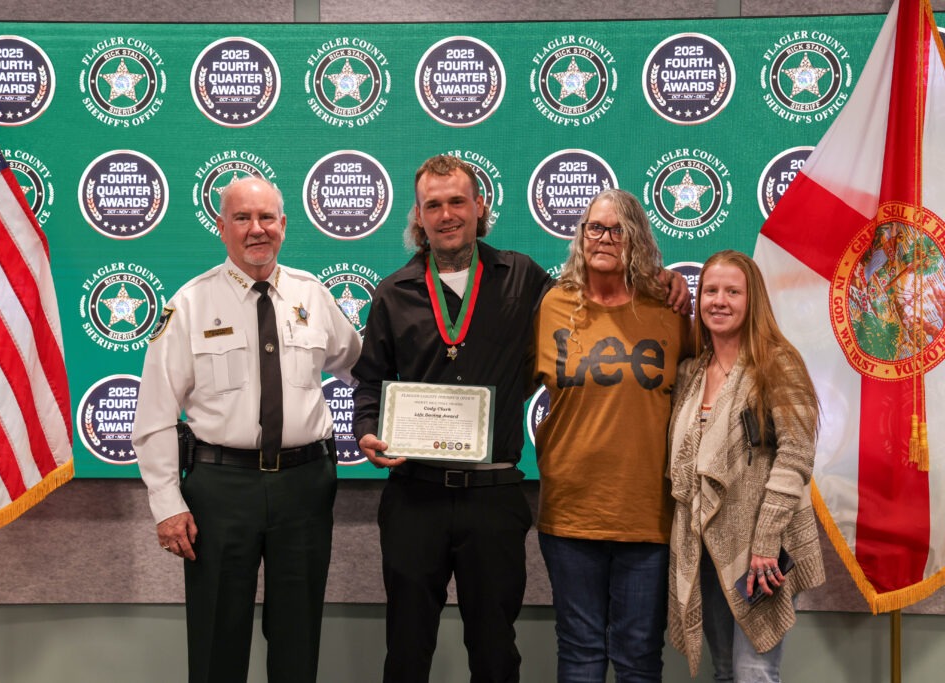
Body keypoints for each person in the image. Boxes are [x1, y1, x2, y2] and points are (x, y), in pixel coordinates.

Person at [352, 156, 689, 683]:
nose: (446, 215)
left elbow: (599, 293)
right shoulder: (394, 292)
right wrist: (367, 429)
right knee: (406, 648)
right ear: (418, 216)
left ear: (480, 205)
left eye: (457, 201)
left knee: (494, 650)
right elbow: (369, 380)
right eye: (433, 205)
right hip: (414, 496)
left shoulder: (525, 278)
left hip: (492, 497)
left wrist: (660, 278)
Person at [132, 176, 362, 683]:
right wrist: (167, 504)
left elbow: (362, 368)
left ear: (283, 225)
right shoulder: (190, 305)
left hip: (305, 487)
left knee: (298, 639)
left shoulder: (312, 295)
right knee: (218, 637)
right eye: (242, 218)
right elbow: (153, 414)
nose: (256, 230)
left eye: (266, 218)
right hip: (222, 490)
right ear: (221, 227)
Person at [530, 188, 691, 682]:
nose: (603, 238)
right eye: (593, 228)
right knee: (579, 654)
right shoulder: (553, 303)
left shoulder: (668, 309)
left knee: (639, 655)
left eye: (616, 229)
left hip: (647, 513)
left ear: (636, 237)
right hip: (570, 510)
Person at [667, 250, 825, 681]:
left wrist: (764, 543)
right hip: (709, 549)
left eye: (732, 292)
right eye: (711, 291)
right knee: (724, 672)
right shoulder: (691, 372)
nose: (719, 301)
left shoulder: (778, 363)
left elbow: (796, 455)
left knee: (754, 672)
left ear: (752, 300)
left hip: (763, 553)